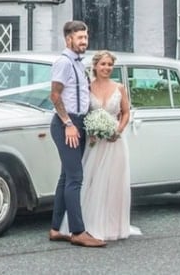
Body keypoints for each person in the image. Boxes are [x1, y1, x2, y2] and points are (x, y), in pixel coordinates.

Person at [59, 50, 139, 241]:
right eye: (103, 64)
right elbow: (83, 112)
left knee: (113, 184)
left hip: (114, 143)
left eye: (110, 65)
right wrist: (92, 132)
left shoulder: (119, 88)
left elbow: (126, 113)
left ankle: (112, 226)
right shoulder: (87, 87)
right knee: (91, 181)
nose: (106, 68)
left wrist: (117, 131)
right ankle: (90, 224)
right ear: (95, 66)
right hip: (94, 142)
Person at [47, 20, 106, 248]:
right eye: (80, 38)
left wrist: (87, 124)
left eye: (86, 37)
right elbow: (54, 95)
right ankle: (78, 231)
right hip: (66, 124)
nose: (84, 42)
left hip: (79, 122)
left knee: (65, 178)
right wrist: (68, 124)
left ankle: (55, 229)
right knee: (75, 178)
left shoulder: (79, 64)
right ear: (68, 39)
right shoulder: (63, 62)